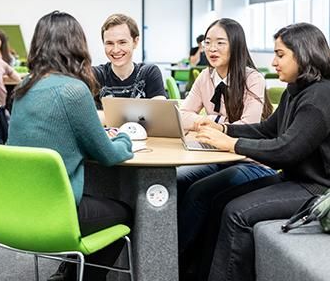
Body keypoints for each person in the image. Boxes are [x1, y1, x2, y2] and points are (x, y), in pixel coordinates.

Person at [192, 22, 330, 281]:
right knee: (219, 199)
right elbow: (268, 129)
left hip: (317, 188)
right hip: (294, 180)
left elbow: (287, 150)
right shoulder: (295, 90)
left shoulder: (319, 98)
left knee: (236, 213)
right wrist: (225, 129)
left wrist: (231, 144)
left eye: (280, 55)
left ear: (303, 54)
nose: (273, 62)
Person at [8, 11, 134, 281]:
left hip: (13, 205)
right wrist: (124, 137)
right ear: (76, 44)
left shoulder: (24, 87)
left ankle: (67, 273)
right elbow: (109, 155)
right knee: (125, 213)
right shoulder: (73, 91)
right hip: (54, 209)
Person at [176, 18, 275, 274]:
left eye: (220, 42)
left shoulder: (253, 78)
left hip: (250, 161)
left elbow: (247, 126)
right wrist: (206, 122)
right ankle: (175, 250)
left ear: (236, 45)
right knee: (175, 181)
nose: (212, 48)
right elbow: (181, 115)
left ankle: (175, 258)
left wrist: (210, 123)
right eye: (208, 42)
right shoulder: (205, 78)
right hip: (216, 157)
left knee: (199, 192)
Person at [92, 14, 166, 108]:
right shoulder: (95, 76)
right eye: (109, 43)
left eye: (122, 42)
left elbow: (160, 112)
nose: (115, 50)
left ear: (135, 42)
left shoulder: (149, 73)